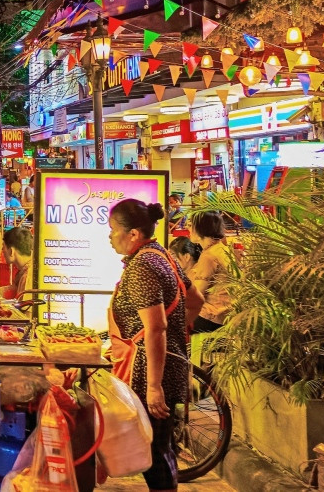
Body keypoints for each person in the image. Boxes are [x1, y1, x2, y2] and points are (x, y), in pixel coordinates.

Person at [107, 199, 204, 492]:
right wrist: (177, 334)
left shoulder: (142, 267)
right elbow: (195, 300)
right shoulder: (161, 254)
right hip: (168, 363)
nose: (110, 237)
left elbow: (156, 327)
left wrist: (153, 385)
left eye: (112, 230)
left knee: (154, 453)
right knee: (160, 447)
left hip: (148, 370)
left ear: (133, 234)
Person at [187, 211, 233, 334]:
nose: (188, 228)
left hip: (211, 316)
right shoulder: (222, 249)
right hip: (226, 315)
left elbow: (197, 294)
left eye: (191, 225)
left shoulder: (209, 256)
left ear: (201, 228)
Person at [3, 226, 33, 300]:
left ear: (11, 251)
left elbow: (26, 309)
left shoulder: (28, 276)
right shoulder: (25, 269)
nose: (2, 252)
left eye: (3, 248)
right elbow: (13, 289)